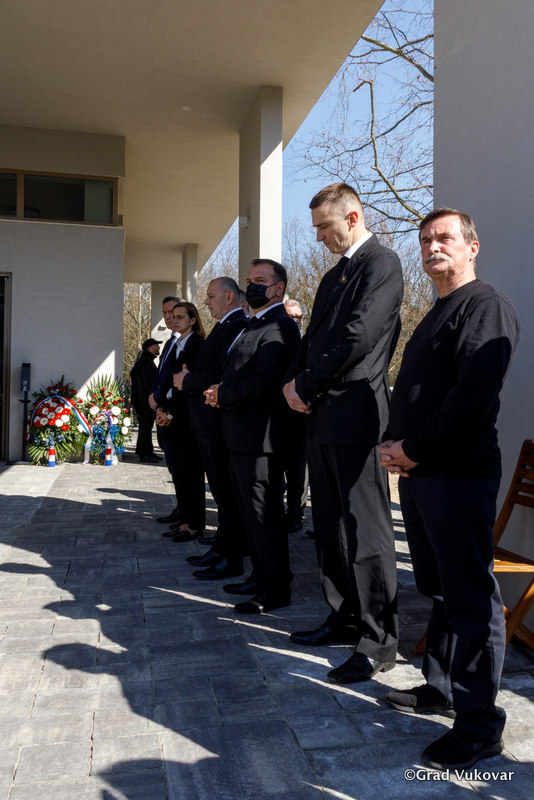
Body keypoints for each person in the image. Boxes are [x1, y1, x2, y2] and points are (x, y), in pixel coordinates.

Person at [378, 208, 520, 771]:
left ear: (471, 247)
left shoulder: (485, 305)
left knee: (471, 600)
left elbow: (472, 398)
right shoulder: (439, 308)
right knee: (441, 590)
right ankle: (439, 687)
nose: (433, 246)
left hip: (457, 475)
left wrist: (413, 448)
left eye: (444, 238)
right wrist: (397, 446)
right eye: (425, 240)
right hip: (422, 475)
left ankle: (480, 726)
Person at [283, 182, 403, 684]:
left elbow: (359, 336)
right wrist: (292, 382)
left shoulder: (382, 264)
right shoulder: (333, 275)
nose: (318, 237)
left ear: (352, 218)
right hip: (321, 417)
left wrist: (306, 384)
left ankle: (378, 641)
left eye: (324, 227)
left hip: (356, 417)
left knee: (366, 534)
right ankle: (344, 616)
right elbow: (312, 340)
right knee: (328, 525)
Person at [204, 259, 301, 613]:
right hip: (240, 438)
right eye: (249, 280)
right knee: (250, 515)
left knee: (265, 517)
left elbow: (268, 383)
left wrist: (223, 393)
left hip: (261, 440)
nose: (253, 286)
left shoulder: (280, 326)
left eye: (261, 280)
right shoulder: (256, 323)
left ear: (279, 288)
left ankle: (275, 587)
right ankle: (260, 575)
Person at [174, 277, 248, 578]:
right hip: (205, 421)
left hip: (215, 422)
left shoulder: (236, 325)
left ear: (229, 297)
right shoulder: (224, 326)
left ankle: (229, 553)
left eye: (210, 296)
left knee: (225, 493)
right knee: (220, 491)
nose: (205, 302)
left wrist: (188, 380)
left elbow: (220, 370)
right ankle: (222, 547)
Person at [156, 302, 206, 541]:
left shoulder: (197, 346)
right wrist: (162, 408)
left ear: (193, 320)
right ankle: (185, 519)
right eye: (172, 317)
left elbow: (188, 388)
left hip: (187, 421)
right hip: (172, 418)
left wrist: (171, 414)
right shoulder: (177, 344)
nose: (174, 321)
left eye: (180, 317)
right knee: (179, 474)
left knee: (191, 475)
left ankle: (194, 524)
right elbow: (168, 382)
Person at [149, 295, 183, 524]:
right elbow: (161, 376)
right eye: (165, 313)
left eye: (173, 312)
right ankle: (181, 507)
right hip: (162, 410)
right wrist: (154, 398)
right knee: (172, 464)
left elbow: (175, 380)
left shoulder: (186, 342)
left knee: (181, 467)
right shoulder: (170, 342)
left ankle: (187, 512)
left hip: (174, 414)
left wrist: (162, 403)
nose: (169, 317)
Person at [282, 298, 308, 533]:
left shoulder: (307, 343)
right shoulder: (274, 340)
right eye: (290, 316)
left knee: (298, 467)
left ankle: (295, 511)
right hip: (276, 413)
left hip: (300, 416)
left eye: (298, 317)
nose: (295, 321)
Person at [129, 338, 162, 463]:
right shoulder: (146, 362)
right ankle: (144, 453)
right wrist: (153, 398)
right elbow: (149, 383)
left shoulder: (144, 361)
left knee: (146, 426)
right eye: (157, 346)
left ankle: (147, 450)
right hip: (145, 400)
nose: (159, 348)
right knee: (145, 426)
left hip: (141, 400)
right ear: (151, 347)